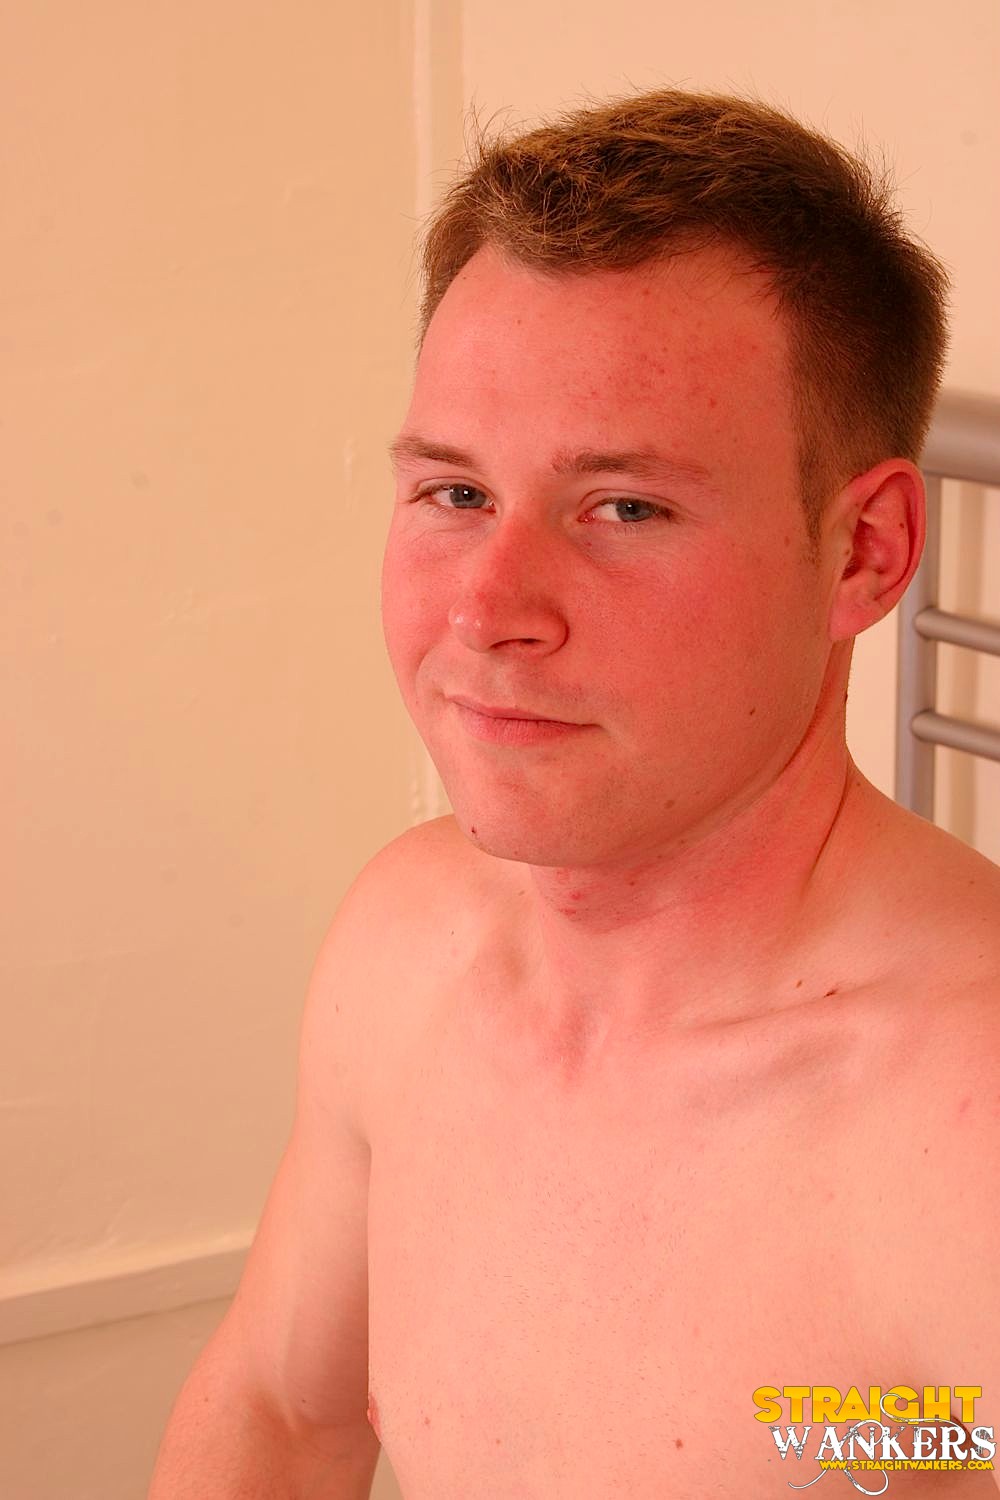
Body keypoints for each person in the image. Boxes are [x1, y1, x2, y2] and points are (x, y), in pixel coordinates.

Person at [149, 89, 1000, 1499]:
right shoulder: (410, 944)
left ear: (865, 553)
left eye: (626, 507)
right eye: (456, 494)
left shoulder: (965, 1128)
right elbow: (286, 1418)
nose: (486, 611)